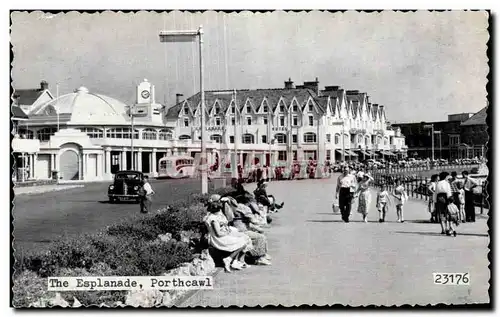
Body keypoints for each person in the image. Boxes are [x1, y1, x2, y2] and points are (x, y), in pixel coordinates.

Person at [204, 194, 252, 272]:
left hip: (222, 235)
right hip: (219, 240)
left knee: (245, 238)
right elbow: (218, 234)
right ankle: (229, 258)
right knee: (243, 241)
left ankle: (236, 261)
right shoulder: (213, 219)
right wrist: (227, 232)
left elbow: (228, 218)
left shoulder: (216, 215)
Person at [220, 197, 272, 266]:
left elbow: (249, 222)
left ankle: (262, 254)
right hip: (240, 231)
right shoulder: (242, 208)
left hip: (237, 229)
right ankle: (257, 257)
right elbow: (252, 221)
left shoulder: (232, 209)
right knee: (260, 237)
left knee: (260, 233)